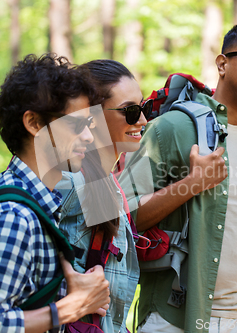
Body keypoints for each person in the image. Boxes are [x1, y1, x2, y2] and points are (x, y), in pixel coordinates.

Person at [118, 20, 237, 332]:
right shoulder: (173, 128)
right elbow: (120, 220)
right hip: (174, 318)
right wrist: (191, 185)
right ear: (222, 64)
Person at [0, 54, 110, 333]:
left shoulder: (39, 206)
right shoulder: (12, 218)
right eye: (77, 123)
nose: (88, 137)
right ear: (34, 123)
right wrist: (68, 309)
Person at [56, 59, 149, 332]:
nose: (142, 119)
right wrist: (66, 277)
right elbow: (17, 221)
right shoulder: (72, 178)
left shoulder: (105, 181)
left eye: (143, 108)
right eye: (130, 111)